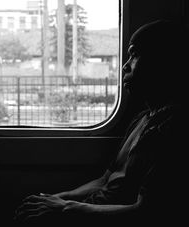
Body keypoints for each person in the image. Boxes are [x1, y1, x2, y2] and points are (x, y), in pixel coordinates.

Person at [14, 20, 188, 226]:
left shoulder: (175, 129)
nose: (125, 66)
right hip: (91, 209)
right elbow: (106, 180)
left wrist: (65, 209)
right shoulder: (141, 119)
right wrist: (61, 197)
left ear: (161, 62)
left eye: (134, 55)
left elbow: (147, 212)